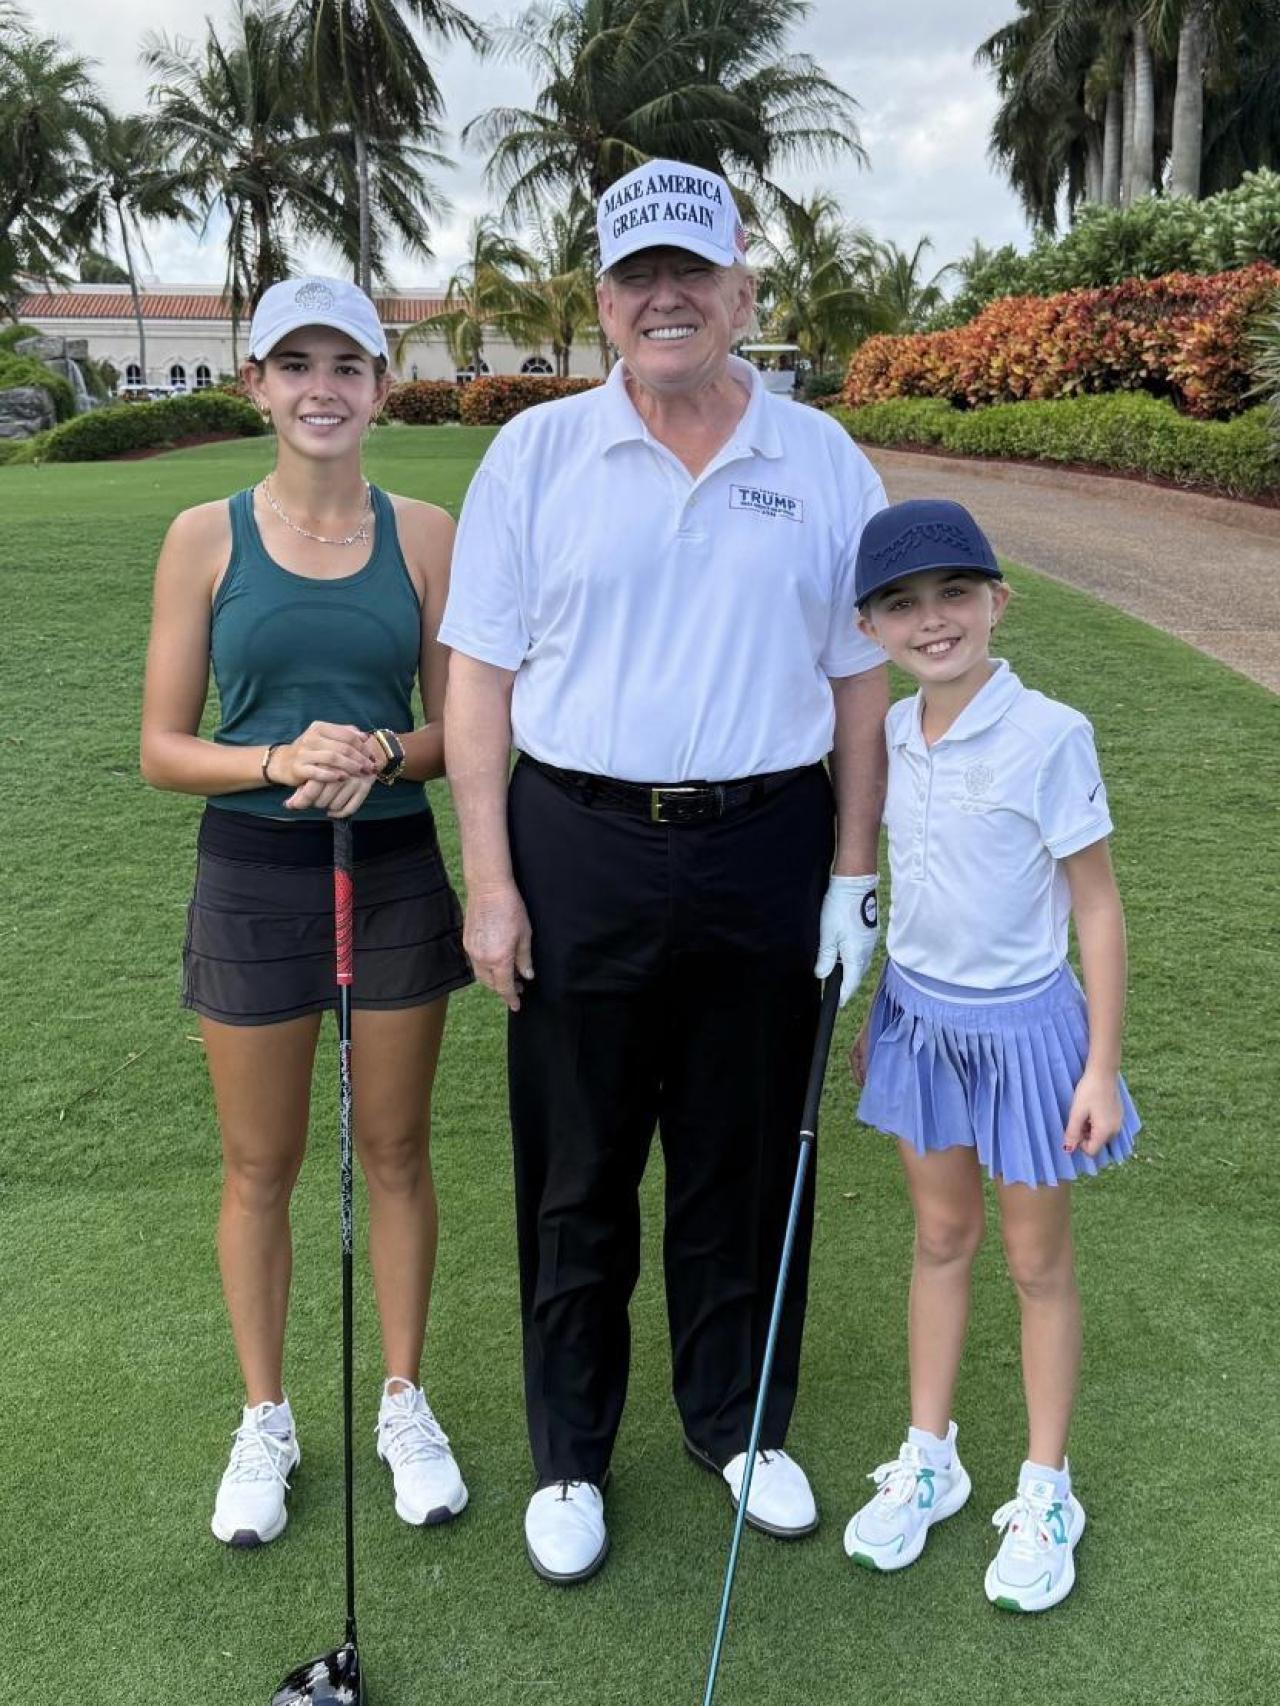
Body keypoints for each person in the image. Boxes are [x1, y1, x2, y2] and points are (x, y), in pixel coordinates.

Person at [440, 158, 889, 1583]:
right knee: (576, 1169)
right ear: (601, 304)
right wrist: (492, 880)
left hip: (769, 841)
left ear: (744, 290)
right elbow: (478, 685)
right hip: (576, 839)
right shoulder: (537, 457)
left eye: (693, 272)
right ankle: (571, 1449)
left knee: (744, 1160)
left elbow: (865, 688)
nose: (667, 297)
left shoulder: (823, 460)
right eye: (638, 277)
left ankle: (735, 1419)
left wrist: (852, 871)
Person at [140, 275, 473, 1548]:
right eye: (297, 364)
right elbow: (166, 746)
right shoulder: (204, 534)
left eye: (347, 363)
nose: (322, 387)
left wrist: (383, 753)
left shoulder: (428, 531)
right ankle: (266, 1414)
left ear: (381, 386)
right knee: (259, 1162)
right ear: (258, 384)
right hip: (255, 870)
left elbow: (459, 727)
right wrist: (279, 761)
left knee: (393, 1148)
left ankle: (402, 1397)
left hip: (389, 865)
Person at [841, 498, 1140, 1611]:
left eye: (952, 595)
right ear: (870, 627)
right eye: (902, 604)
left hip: (1026, 1038)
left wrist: (1097, 1065)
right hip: (919, 1020)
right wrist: (880, 1012)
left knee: (1034, 1260)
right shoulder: (885, 735)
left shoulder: (1048, 732)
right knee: (937, 1235)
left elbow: (1096, 909)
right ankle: (931, 1453)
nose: (931, 621)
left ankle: (1044, 1482)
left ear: (995, 602)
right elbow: (909, 896)